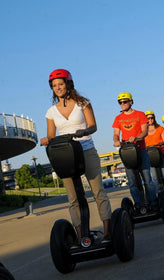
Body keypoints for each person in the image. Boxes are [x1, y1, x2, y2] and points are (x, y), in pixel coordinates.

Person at [40, 69, 112, 240]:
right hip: (66, 155)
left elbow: (93, 126)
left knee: (98, 192)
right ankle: (81, 237)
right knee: (72, 198)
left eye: (61, 84)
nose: (58, 88)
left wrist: (84, 131)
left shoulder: (83, 103)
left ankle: (108, 232)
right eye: (54, 85)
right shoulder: (51, 112)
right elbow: (51, 135)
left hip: (85, 148)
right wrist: (47, 139)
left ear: (68, 84)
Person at [112, 92, 158, 212]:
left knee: (147, 179)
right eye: (120, 102)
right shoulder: (118, 118)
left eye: (125, 101)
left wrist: (137, 137)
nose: (122, 104)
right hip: (127, 152)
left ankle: (152, 201)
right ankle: (138, 204)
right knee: (132, 181)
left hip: (140, 150)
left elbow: (145, 131)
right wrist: (116, 141)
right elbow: (116, 133)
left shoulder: (140, 114)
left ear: (131, 102)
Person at [144, 111, 164, 194]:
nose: (150, 119)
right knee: (154, 177)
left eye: (152, 118)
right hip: (150, 155)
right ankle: (158, 195)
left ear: (154, 118)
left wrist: (161, 143)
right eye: (148, 118)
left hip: (161, 153)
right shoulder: (144, 131)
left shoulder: (160, 128)